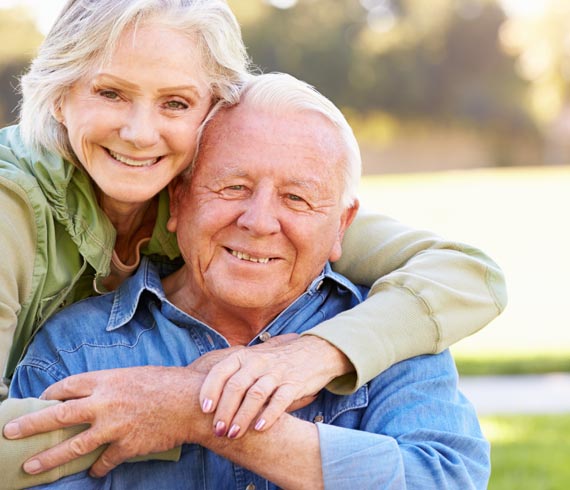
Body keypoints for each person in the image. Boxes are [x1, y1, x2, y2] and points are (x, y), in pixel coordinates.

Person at [0, 0, 505, 483]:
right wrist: (189, 407)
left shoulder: (213, 201)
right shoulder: (14, 213)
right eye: (110, 93)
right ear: (60, 94)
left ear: (212, 114)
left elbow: (462, 274)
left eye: (175, 102)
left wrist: (316, 354)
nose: (139, 132)